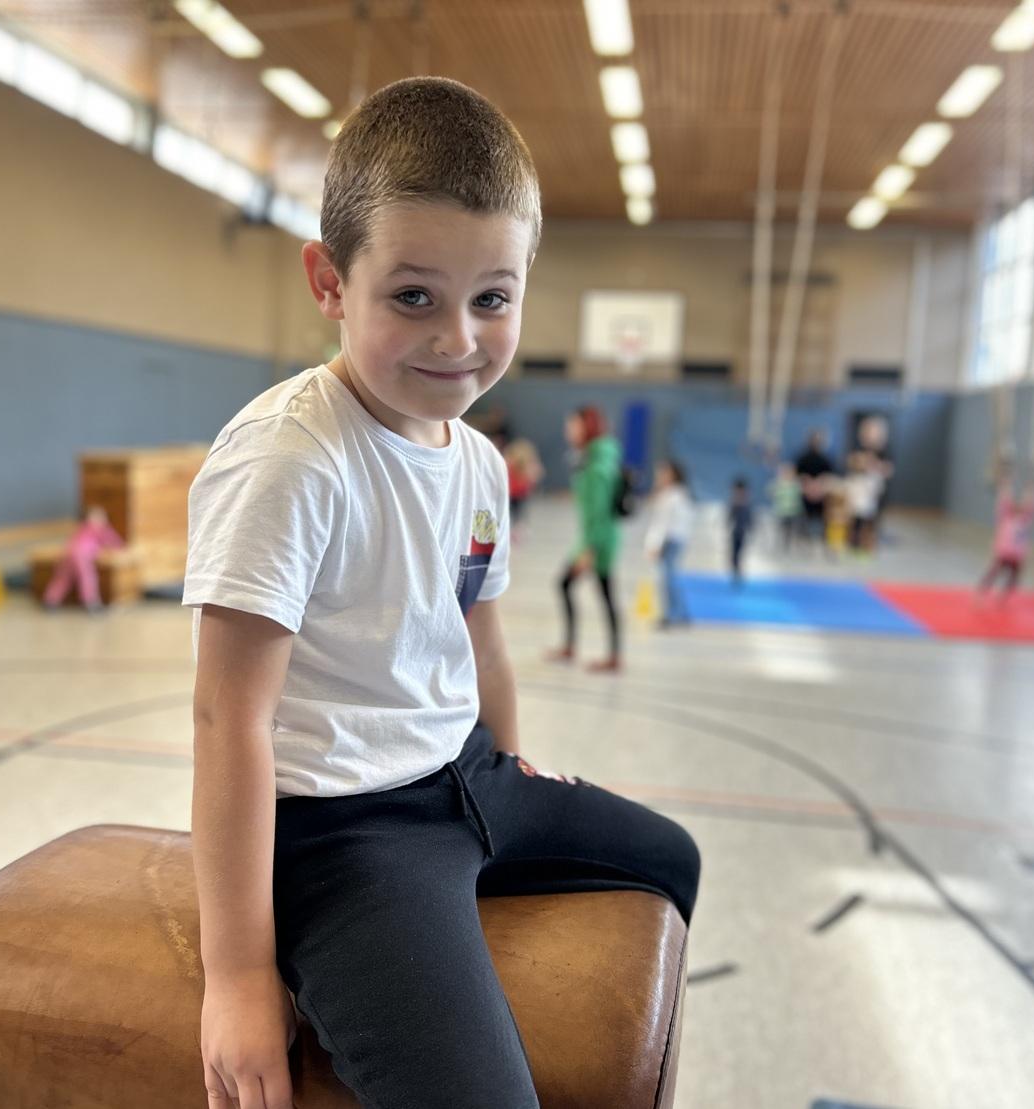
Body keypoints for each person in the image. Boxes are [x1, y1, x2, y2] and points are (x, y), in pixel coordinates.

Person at [183, 78, 699, 1109]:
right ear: (330, 282)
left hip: (464, 773)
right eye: (413, 296)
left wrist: (508, 771)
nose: (458, 338)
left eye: (491, 299)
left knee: (667, 860)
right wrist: (235, 974)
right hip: (346, 828)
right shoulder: (292, 458)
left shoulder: (476, 460)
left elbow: (482, 640)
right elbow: (226, 716)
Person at [547, 406, 624, 671]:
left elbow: (600, 512)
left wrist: (590, 549)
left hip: (599, 540)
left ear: (586, 427)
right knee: (574, 587)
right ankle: (576, 647)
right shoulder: (593, 458)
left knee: (598, 591)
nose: (568, 430)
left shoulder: (597, 465)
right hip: (594, 537)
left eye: (573, 425)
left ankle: (611, 656)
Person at [41, 505, 124, 611]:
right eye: (98, 516)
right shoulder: (100, 528)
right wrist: (119, 546)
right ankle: (91, 602)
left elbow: (71, 541)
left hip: (69, 553)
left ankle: (50, 599)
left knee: (62, 578)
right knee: (87, 577)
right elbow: (113, 541)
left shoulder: (81, 527)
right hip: (82, 555)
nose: (100, 519)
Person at [976, 469, 1034, 599]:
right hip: (1004, 552)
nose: (1018, 506)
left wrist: (1032, 489)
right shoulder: (1006, 517)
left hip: (1017, 555)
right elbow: (1004, 499)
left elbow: (1031, 504)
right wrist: (1006, 483)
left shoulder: (1025, 519)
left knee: (1014, 577)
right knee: (994, 572)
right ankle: (982, 591)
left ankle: (1004, 594)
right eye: (1015, 505)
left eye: (1020, 505)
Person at [644, 459, 693, 627]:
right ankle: (682, 613)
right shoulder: (676, 494)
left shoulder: (673, 496)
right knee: (672, 577)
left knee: (668, 579)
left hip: (670, 540)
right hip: (676, 539)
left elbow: (663, 523)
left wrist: (656, 545)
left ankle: (671, 614)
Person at [794, 429, 835, 547]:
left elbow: (829, 476)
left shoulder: (825, 459)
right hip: (805, 493)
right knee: (801, 513)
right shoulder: (802, 458)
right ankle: (803, 537)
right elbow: (798, 475)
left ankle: (823, 538)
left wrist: (819, 486)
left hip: (821, 494)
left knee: (826, 513)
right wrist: (808, 486)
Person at [503, 437, 544, 542]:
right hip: (512, 493)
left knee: (518, 512)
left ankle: (518, 528)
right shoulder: (510, 463)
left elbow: (536, 475)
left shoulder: (527, 464)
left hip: (519, 494)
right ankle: (516, 528)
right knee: (514, 512)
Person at [845, 451, 884, 553]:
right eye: (858, 462)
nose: (861, 465)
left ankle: (867, 546)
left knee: (867, 530)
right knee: (854, 529)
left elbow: (877, 491)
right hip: (855, 509)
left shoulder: (873, 478)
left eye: (864, 463)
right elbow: (848, 491)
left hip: (868, 509)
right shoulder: (852, 477)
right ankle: (854, 545)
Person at [768, 461, 802, 552]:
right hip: (781, 512)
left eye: (790, 472)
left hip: (793, 512)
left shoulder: (795, 485)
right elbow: (771, 493)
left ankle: (791, 547)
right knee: (780, 530)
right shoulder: (779, 484)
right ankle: (779, 546)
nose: (787, 474)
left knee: (792, 531)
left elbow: (798, 498)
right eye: (785, 472)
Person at [728, 477, 754, 585]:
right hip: (735, 532)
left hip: (742, 532)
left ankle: (738, 571)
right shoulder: (735, 503)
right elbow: (730, 517)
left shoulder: (746, 503)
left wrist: (751, 529)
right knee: (734, 554)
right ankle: (736, 571)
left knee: (740, 553)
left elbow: (750, 518)